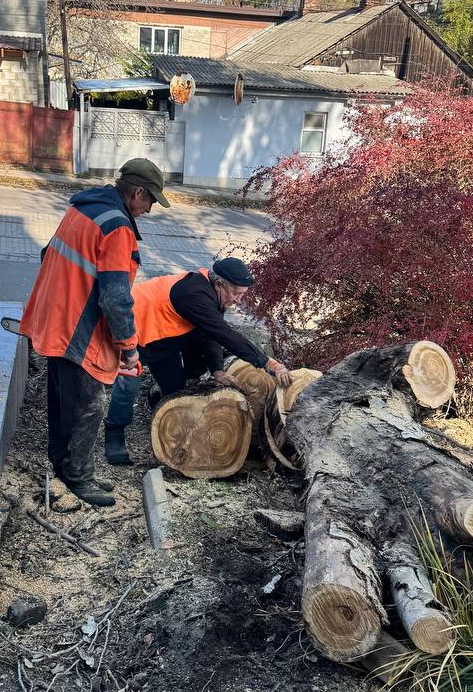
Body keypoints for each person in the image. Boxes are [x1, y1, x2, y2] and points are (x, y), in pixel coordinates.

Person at [19, 157, 169, 506]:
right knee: (89, 407)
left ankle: (65, 465)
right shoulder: (117, 227)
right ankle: (78, 477)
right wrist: (129, 347)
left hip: (54, 320)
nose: (149, 209)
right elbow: (116, 298)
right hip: (78, 332)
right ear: (136, 193)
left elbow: (47, 254)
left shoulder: (84, 209)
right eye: (150, 201)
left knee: (61, 400)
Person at [104, 257, 290, 464]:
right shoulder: (194, 294)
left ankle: (159, 406)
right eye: (236, 293)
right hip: (132, 335)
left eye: (242, 295)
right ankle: (114, 434)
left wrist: (217, 369)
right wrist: (267, 362)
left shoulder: (214, 295)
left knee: (175, 385)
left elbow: (210, 332)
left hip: (164, 338)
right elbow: (223, 333)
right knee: (128, 386)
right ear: (219, 284)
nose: (238, 300)